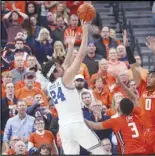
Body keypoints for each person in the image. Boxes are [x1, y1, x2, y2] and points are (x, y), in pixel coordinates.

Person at [41, 20, 106, 155]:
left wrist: (70, 46)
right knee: (101, 152)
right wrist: (85, 32)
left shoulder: (51, 84)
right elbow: (80, 56)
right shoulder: (65, 79)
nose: (61, 65)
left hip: (64, 127)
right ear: (55, 72)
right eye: (58, 66)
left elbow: (65, 64)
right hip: (76, 124)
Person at [85, 74, 151, 154]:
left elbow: (93, 126)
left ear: (119, 109)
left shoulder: (116, 121)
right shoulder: (137, 114)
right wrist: (122, 84)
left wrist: (79, 117)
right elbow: (134, 98)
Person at [129, 34, 155, 154]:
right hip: (144, 132)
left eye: (152, 77)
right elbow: (133, 68)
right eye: (148, 76)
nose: (148, 78)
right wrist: (127, 47)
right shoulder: (142, 88)